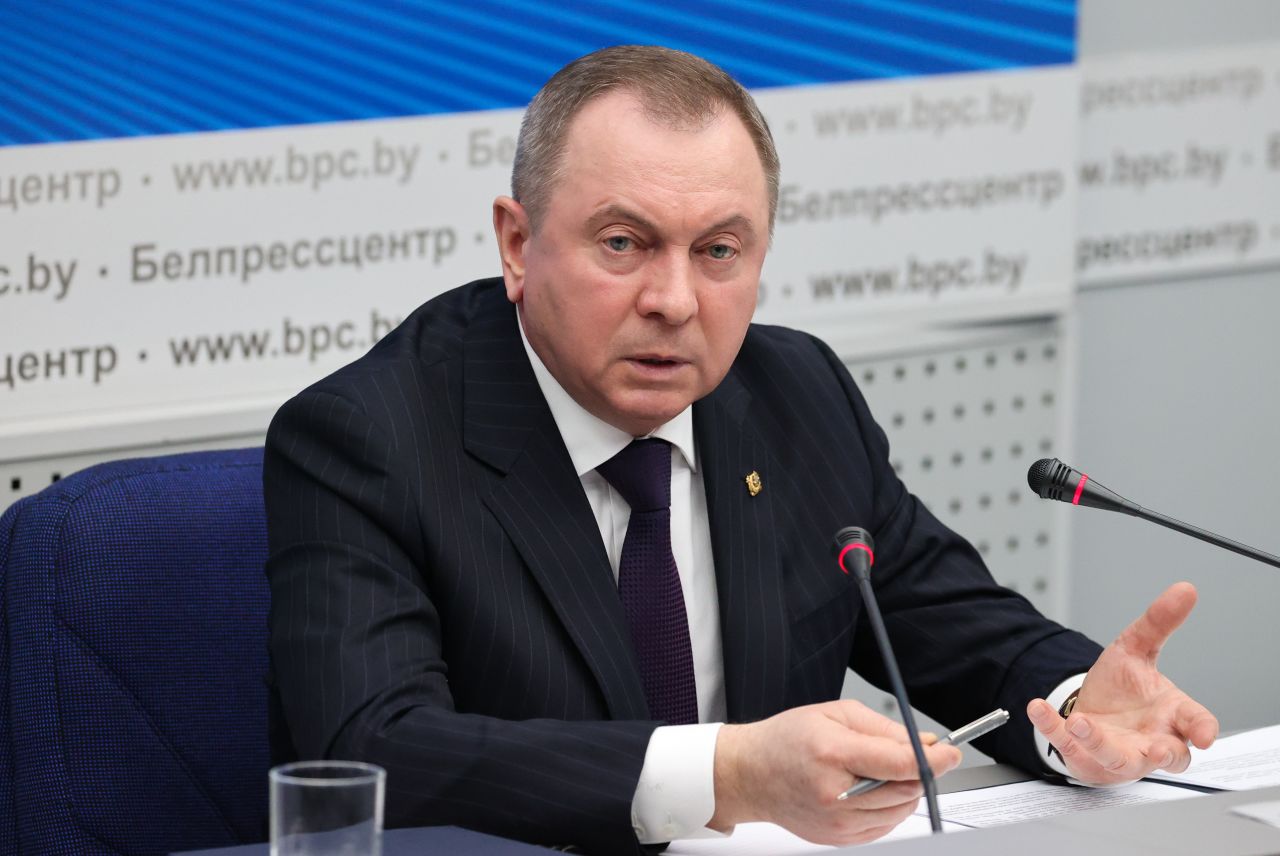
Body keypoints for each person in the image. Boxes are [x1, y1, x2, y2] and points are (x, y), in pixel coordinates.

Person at [263, 45, 1218, 854]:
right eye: (625, 243)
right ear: (517, 244)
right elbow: (375, 748)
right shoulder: (369, 438)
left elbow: (946, 620)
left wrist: (1080, 702)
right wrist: (726, 774)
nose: (675, 301)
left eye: (718, 251)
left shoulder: (795, 395)